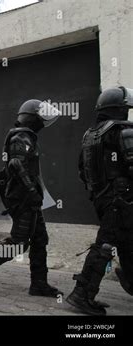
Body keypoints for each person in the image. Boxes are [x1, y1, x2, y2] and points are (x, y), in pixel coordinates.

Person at [0, 99, 63, 298]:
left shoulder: (27, 136)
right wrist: (31, 191)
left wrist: (35, 194)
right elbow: (16, 165)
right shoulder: (21, 137)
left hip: (30, 198)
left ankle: (39, 283)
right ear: (32, 118)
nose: (42, 120)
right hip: (22, 199)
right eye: (39, 116)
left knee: (40, 239)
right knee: (19, 242)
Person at [66, 86, 133, 315]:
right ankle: (81, 294)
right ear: (119, 109)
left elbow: (81, 171)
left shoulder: (91, 134)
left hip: (103, 198)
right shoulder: (122, 130)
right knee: (105, 245)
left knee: (126, 240)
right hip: (121, 199)